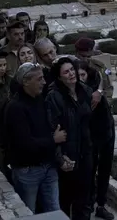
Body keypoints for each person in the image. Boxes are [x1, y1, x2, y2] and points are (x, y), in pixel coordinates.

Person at [5, 63, 65, 213]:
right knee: (28, 212)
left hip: (48, 166)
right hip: (28, 171)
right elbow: (24, 143)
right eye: (39, 79)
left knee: (54, 210)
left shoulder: (40, 99)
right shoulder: (15, 107)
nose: (44, 82)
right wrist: (53, 140)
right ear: (26, 81)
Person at [45, 57, 94, 220]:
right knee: (66, 198)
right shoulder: (54, 97)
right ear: (59, 77)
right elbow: (53, 129)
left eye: (72, 69)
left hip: (86, 151)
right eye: (66, 72)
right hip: (67, 154)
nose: (71, 73)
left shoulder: (85, 90)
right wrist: (60, 157)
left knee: (85, 197)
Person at [77, 61, 115, 220]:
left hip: (105, 132)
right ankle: (87, 204)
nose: (80, 79)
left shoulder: (98, 77)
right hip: (87, 136)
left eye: (82, 75)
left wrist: (100, 91)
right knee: (88, 172)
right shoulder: (75, 91)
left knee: (104, 169)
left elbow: (107, 83)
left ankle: (101, 204)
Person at [74, 38, 113, 104]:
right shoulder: (71, 68)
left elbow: (108, 86)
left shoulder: (100, 66)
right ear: (76, 53)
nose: (85, 59)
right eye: (82, 56)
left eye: (88, 56)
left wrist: (107, 102)